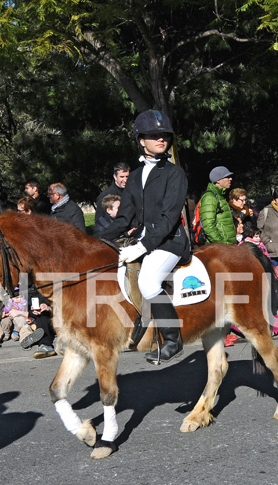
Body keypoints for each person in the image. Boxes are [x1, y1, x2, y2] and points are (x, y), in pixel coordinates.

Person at [100, 109, 190, 364]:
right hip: (143, 241)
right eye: (154, 135)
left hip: (169, 241)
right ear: (141, 140)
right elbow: (124, 218)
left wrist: (142, 246)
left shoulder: (175, 173)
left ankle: (173, 339)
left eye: (164, 135)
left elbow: (169, 218)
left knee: (149, 282)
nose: (161, 139)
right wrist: (93, 239)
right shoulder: (136, 176)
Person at [199, 166, 237, 244]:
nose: (230, 179)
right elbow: (208, 226)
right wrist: (221, 246)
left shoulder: (220, 196)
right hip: (221, 250)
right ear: (218, 180)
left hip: (228, 248)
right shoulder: (209, 197)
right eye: (227, 177)